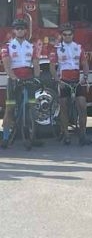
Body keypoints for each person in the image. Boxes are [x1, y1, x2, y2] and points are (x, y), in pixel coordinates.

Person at [49, 23, 92, 146]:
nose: (67, 37)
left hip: (77, 81)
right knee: (64, 108)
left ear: (73, 35)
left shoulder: (78, 47)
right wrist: (58, 80)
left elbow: (84, 63)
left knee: (82, 107)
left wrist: (85, 77)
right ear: (62, 35)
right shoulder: (56, 48)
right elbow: (52, 67)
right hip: (64, 82)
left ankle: (83, 135)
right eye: (65, 35)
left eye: (69, 34)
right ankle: (66, 135)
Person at [1, 18, 42, 149]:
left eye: (22, 28)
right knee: (10, 109)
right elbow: (7, 66)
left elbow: (36, 65)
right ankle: (6, 137)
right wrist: (14, 78)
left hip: (28, 80)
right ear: (14, 31)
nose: (20, 30)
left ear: (25, 30)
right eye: (17, 28)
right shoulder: (7, 46)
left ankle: (33, 136)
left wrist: (36, 77)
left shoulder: (31, 46)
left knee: (31, 108)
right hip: (14, 80)